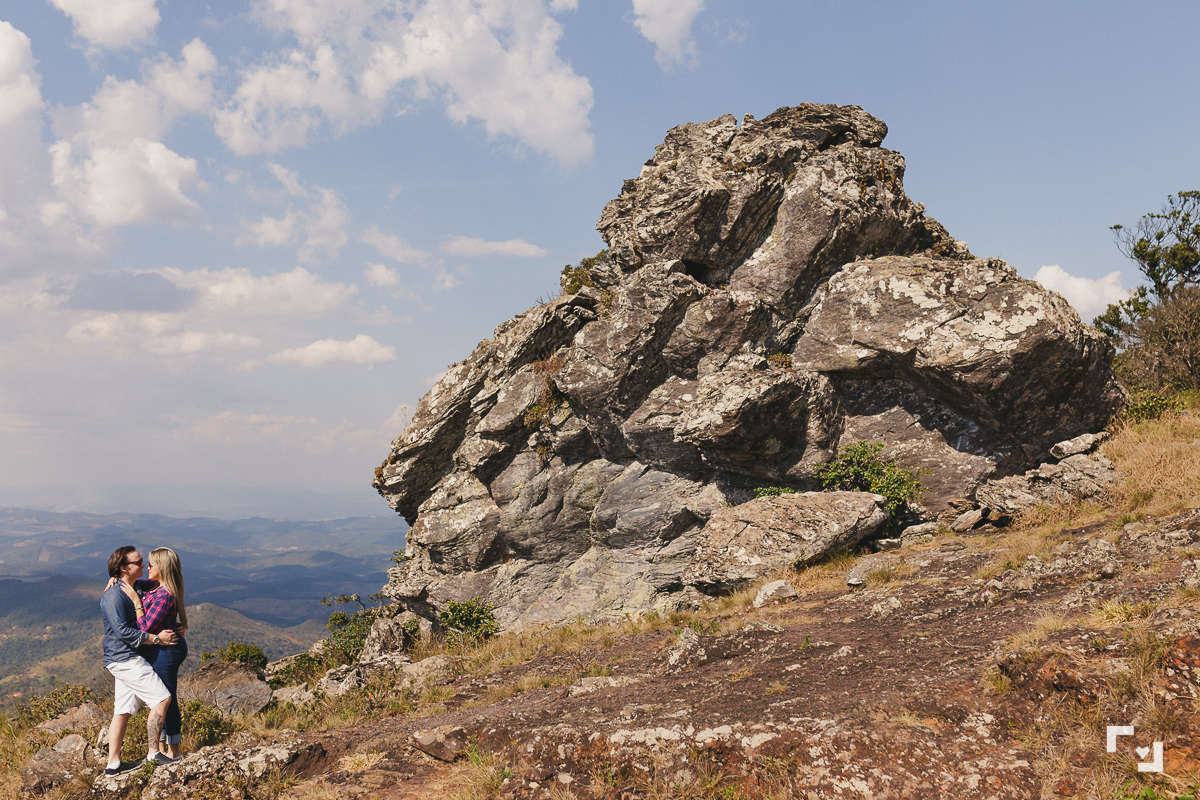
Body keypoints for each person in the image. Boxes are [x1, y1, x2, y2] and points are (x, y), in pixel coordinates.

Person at [100, 546, 178, 775]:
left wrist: (174, 626)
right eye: (138, 562)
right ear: (124, 567)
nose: (143, 565)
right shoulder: (114, 596)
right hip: (126, 659)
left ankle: (113, 764)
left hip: (124, 658)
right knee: (162, 698)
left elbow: (164, 585)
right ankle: (154, 753)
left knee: (122, 710)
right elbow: (123, 631)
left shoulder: (133, 587)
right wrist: (157, 639)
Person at [132, 548, 189, 759]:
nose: (147, 568)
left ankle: (174, 752)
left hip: (166, 651)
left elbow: (145, 626)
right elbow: (134, 584)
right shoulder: (157, 586)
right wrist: (114, 577)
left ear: (162, 568)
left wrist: (138, 604)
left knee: (166, 699)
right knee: (162, 698)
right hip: (164, 649)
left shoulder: (164, 595)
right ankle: (164, 749)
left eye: (151, 565)